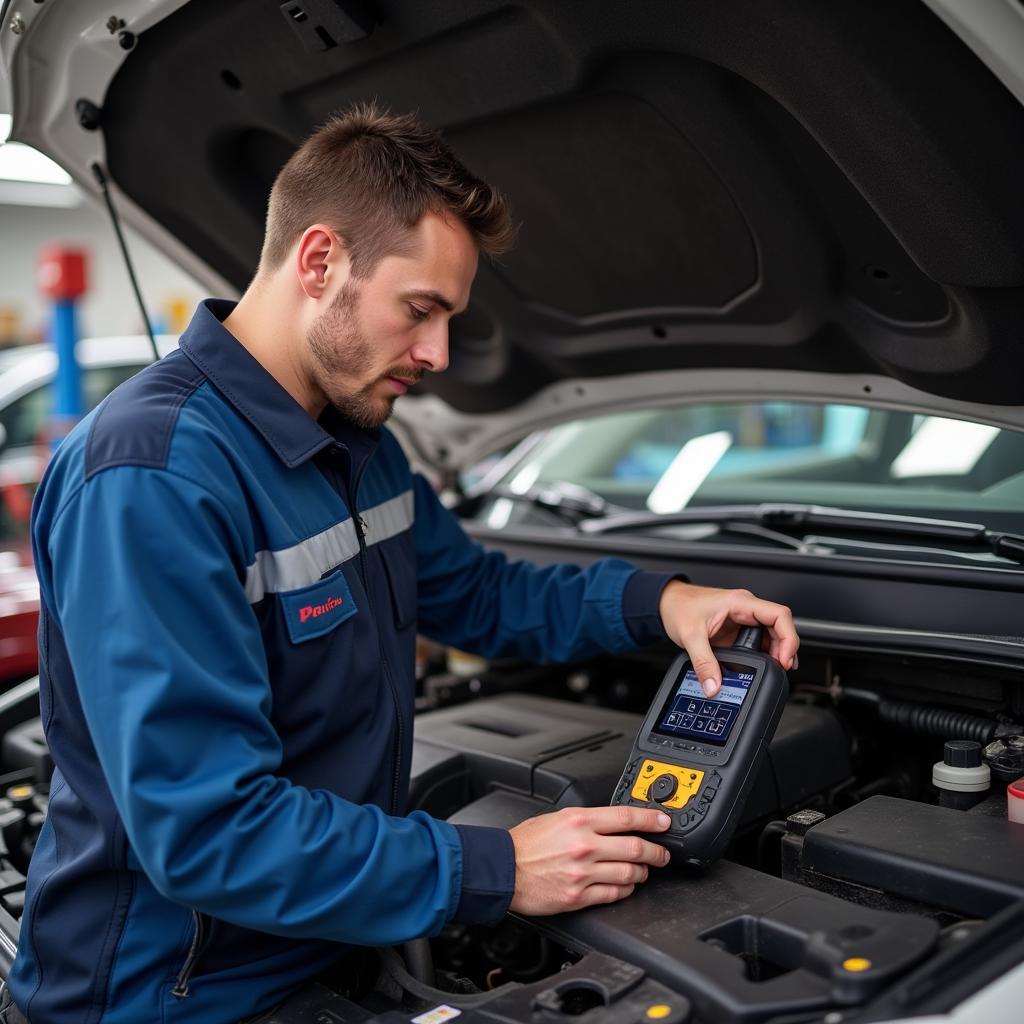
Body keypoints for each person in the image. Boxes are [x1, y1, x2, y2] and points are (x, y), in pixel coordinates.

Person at [2, 104, 799, 1024]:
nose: (437, 354)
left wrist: (658, 603)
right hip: (177, 997)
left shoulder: (358, 443)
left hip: (333, 946)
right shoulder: (154, 476)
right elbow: (209, 832)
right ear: (318, 262)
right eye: (420, 310)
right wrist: (501, 868)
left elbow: (475, 590)